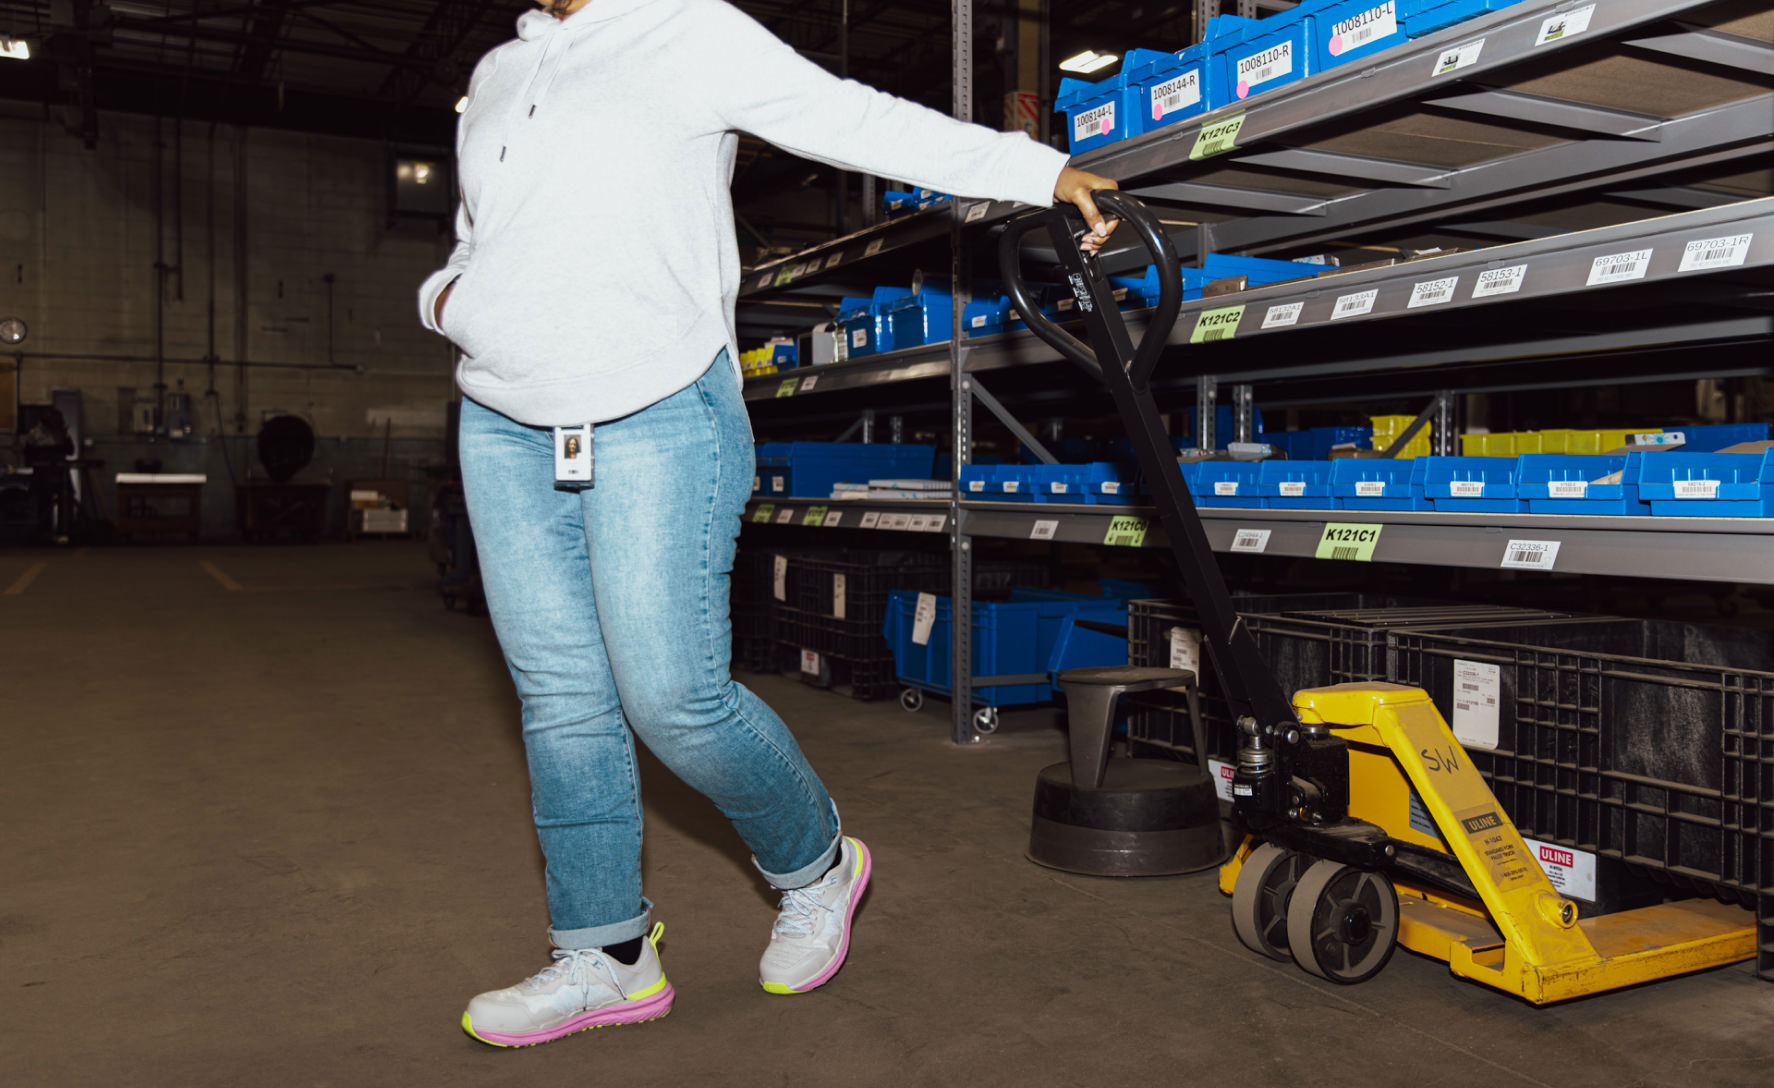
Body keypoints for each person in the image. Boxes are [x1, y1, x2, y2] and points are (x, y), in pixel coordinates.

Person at [418, 0, 1118, 1049]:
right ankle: (606, 953)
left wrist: (1039, 171)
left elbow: (852, 117)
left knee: (674, 697)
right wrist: (449, 299)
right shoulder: (497, 72)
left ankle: (815, 864)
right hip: (504, 418)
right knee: (561, 702)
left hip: (657, 403)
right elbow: (481, 233)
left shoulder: (686, 30)